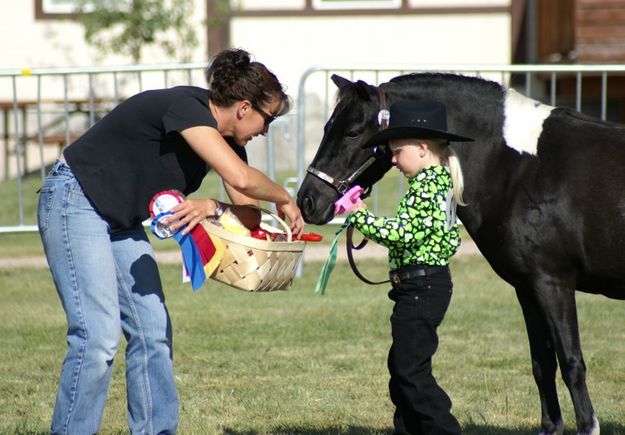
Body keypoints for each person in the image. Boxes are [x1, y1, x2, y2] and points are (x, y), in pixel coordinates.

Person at [37, 48, 304, 434]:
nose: (266, 130)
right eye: (268, 119)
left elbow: (247, 210)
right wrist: (283, 197)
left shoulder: (230, 143)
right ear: (244, 108)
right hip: (74, 200)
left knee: (153, 332)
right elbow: (245, 180)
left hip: (119, 221)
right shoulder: (188, 107)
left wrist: (212, 204)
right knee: (97, 338)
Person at [343, 100, 473, 434]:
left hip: (422, 288)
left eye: (397, 152)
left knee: (410, 371)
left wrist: (357, 215)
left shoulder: (427, 185)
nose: (394, 160)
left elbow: (403, 234)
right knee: (403, 368)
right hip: (422, 286)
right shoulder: (435, 182)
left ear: (421, 147)